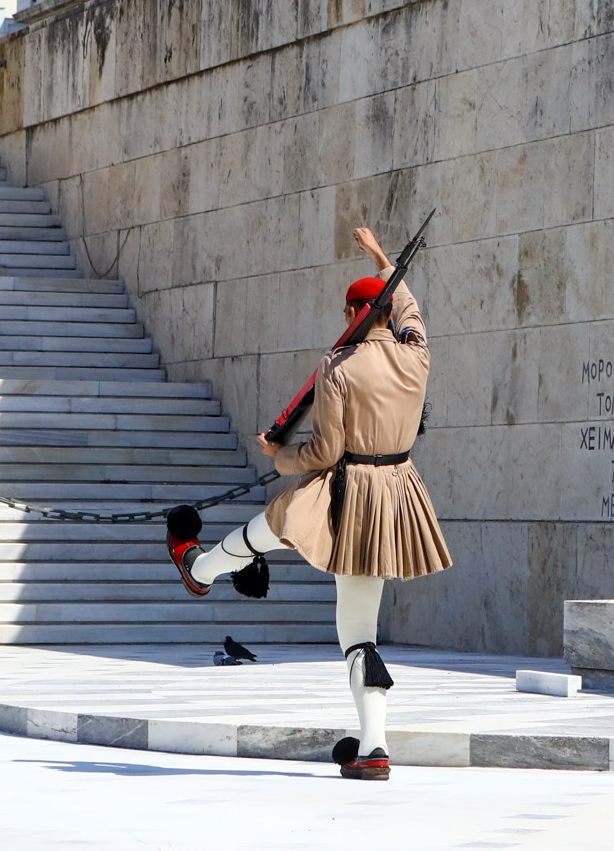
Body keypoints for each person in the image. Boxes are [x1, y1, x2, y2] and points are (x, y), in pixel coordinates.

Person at [167, 225, 451, 780]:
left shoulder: (338, 367)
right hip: (395, 493)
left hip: (346, 489)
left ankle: (199, 567)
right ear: (387, 313)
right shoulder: (417, 355)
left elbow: (325, 450)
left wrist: (279, 454)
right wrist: (381, 258)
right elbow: (409, 304)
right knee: (359, 633)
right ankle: (373, 747)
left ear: (352, 312)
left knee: (273, 523)